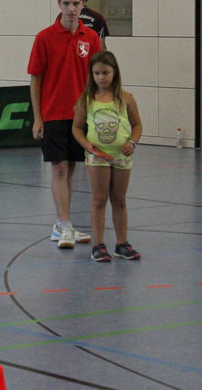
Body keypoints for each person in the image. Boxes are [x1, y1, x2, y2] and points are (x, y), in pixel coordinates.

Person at [28, 0, 101, 249]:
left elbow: (97, 78)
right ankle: (64, 223)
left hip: (81, 117)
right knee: (58, 167)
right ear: (59, 4)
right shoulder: (44, 37)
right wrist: (38, 118)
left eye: (76, 4)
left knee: (70, 167)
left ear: (83, 6)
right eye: (67, 3)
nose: (71, 8)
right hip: (53, 114)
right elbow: (36, 79)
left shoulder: (90, 38)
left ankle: (62, 224)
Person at [72, 51, 142, 262]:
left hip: (121, 156)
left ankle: (122, 243)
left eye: (105, 73)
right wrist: (86, 145)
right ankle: (99, 245)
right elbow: (77, 127)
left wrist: (132, 142)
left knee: (119, 200)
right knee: (99, 199)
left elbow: (137, 125)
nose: (101, 77)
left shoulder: (126, 99)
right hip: (97, 158)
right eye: (97, 73)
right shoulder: (87, 99)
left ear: (114, 73)